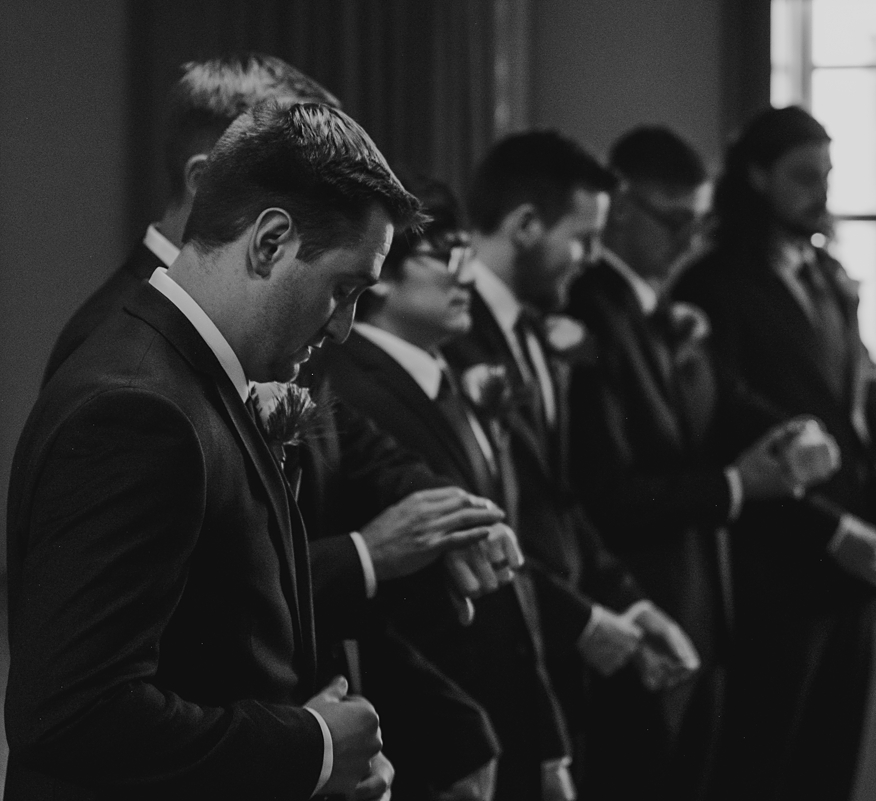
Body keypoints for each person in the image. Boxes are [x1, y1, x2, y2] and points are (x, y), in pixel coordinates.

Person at [36, 54, 510, 795]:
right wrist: (310, 748)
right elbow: (77, 716)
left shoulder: (205, 366)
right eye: (344, 290)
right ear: (269, 242)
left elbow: (223, 642)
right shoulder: (135, 406)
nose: (345, 328)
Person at [673, 105, 876, 801]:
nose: (821, 191)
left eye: (827, 175)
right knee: (762, 769)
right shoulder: (714, 284)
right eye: (804, 176)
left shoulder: (828, 276)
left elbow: (863, 394)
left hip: (857, 565)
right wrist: (830, 530)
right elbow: (724, 427)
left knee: (831, 768)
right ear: (757, 176)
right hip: (776, 564)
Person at [566, 125, 841, 801]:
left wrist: (788, 432)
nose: (690, 240)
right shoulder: (589, 312)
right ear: (620, 207)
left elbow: (722, 406)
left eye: (698, 220)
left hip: (703, 610)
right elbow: (607, 494)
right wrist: (736, 486)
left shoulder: (663, 309)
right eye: (674, 220)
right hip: (642, 607)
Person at [444, 130, 701, 787]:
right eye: (583, 239)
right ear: (526, 226)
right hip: (496, 659)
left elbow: (559, 500)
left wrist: (630, 604)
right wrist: (582, 621)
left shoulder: (536, 332)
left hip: (557, 657)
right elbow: (483, 518)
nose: (590, 259)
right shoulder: (452, 335)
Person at [320, 176, 587, 801]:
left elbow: (508, 571)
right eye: (447, 255)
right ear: (382, 273)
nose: (467, 275)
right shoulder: (343, 386)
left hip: (502, 715)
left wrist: (545, 739)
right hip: (426, 736)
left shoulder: (457, 376)